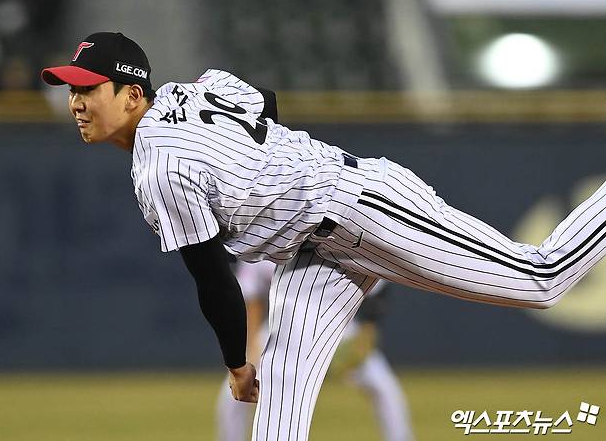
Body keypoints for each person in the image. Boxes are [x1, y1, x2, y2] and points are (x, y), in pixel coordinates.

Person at [42, 32, 606, 441]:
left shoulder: (159, 162)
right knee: (279, 417)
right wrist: (268, 166)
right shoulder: (193, 91)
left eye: (89, 89)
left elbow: (211, 275)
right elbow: (263, 101)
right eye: (70, 88)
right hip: (312, 250)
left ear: (132, 95)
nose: (75, 101)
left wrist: (237, 365)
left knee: (543, 277)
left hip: (360, 208)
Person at [216, 260, 414, 441]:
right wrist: (251, 346)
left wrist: (366, 333)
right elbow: (252, 300)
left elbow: (376, 290)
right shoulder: (265, 235)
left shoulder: (332, 232)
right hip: (280, 329)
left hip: (339, 329)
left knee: (384, 388)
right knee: (232, 395)